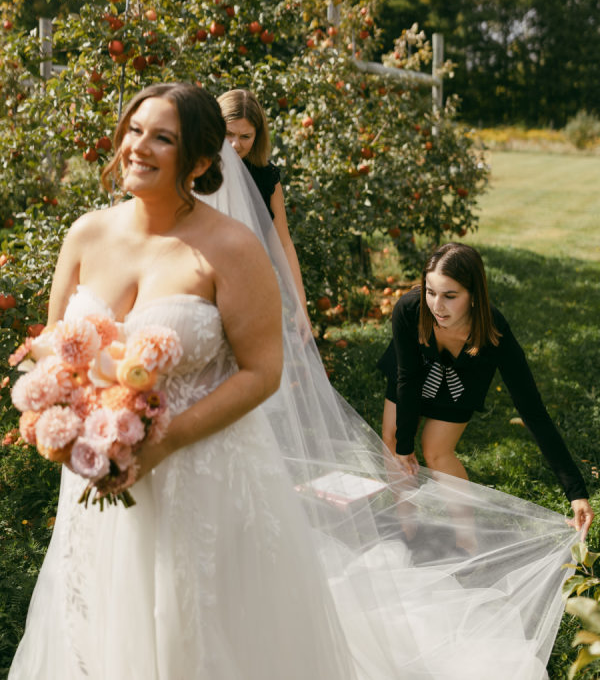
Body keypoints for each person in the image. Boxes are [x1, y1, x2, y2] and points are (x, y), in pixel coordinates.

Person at [8, 85, 588, 679]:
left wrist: (162, 440)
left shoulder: (232, 248)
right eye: (134, 129)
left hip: (197, 471)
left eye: (162, 137)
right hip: (97, 470)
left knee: (199, 632)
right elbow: (57, 346)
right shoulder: (85, 234)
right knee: (102, 625)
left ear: (202, 160)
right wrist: (62, 415)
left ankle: (446, 541)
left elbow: (263, 372)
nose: (138, 146)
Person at [379, 242, 594, 539]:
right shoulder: (409, 309)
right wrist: (404, 444)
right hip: (411, 374)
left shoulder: (495, 332)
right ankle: (408, 531)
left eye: (450, 296)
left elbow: (532, 410)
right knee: (392, 441)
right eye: (430, 292)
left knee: (436, 451)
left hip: (461, 383)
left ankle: (467, 539)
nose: (437, 306)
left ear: (473, 295)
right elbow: (408, 377)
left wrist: (576, 492)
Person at [217, 88, 309, 322]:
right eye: (228, 134)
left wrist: (300, 304)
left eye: (245, 136)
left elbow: (283, 243)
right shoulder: (195, 171)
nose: (235, 144)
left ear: (257, 136)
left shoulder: (266, 178)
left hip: (248, 288)